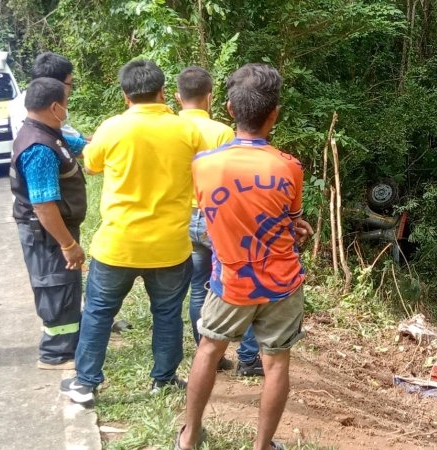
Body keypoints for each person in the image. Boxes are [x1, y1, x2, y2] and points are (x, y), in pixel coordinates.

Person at [176, 63, 313, 450]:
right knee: (276, 362)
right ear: (275, 114)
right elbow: (289, 220)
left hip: (231, 281)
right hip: (282, 284)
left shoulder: (203, 166)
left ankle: (188, 437)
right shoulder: (290, 168)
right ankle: (262, 446)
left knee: (209, 348)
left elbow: (225, 216)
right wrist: (296, 227)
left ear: (231, 110)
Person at [59, 60, 206, 405]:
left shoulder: (112, 129)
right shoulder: (188, 132)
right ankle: (165, 379)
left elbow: (92, 165)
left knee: (98, 312)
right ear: (162, 92)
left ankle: (85, 383)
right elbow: (204, 169)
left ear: (125, 96)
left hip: (118, 244)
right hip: (169, 246)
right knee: (167, 313)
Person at [175, 66, 263, 376]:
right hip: (218, 219)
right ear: (210, 97)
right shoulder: (221, 132)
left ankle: (209, 355)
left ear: (176, 97)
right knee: (245, 281)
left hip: (186, 217)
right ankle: (249, 359)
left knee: (199, 287)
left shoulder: (169, 129)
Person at [10, 77, 86, 370]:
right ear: (56, 107)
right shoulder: (39, 148)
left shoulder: (47, 132)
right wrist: (67, 244)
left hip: (55, 229)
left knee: (65, 286)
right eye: (66, 103)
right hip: (47, 233)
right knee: (55, 286)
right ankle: (56, 354)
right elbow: (43, 205)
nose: (67, 109)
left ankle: (68, 344)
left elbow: (83, 146)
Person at [10, 52, 82, 140]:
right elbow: (75, 143)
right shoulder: (46, 110)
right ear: (55, 84)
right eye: (70, 84)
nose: (71, 89)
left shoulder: (21, 102)